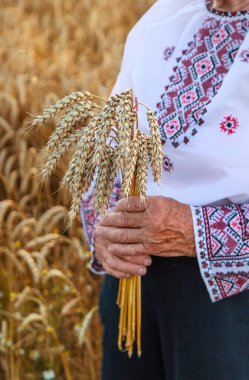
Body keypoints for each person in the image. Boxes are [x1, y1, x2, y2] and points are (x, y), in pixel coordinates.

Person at [80, 0, 249, 379]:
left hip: (230, 308)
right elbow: (109, 150)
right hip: (134, 285)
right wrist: (107, 230)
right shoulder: (162, 20)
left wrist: (192, 230)